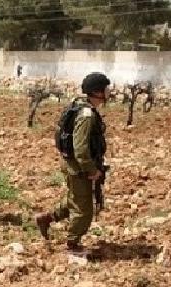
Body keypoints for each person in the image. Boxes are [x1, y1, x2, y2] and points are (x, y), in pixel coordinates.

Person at [35, 72, 110, 252]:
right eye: (106, 88)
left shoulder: (79, 105)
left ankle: (46, 218)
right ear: (97, 92)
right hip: (79, 167)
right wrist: (91, 170)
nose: (108, 92)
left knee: (76, 199)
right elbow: (81, 148)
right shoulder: (86, 115)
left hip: (73, 164)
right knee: (84, 210)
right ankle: (72, 244)